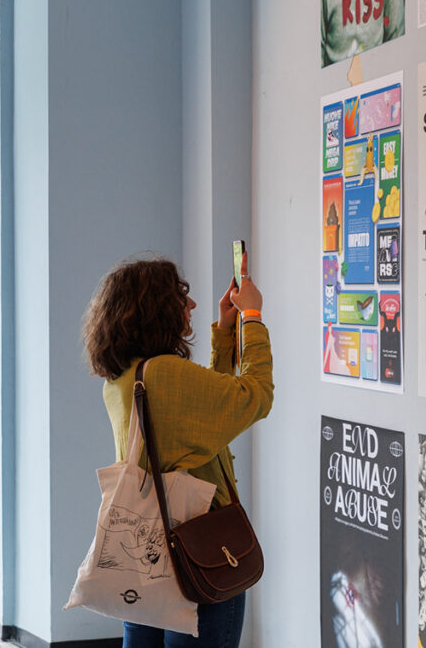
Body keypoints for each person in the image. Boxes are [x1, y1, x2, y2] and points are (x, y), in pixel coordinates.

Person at [82, 256, 274, 647]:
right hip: (196, 549)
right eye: (181, 297)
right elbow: (255, 396)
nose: (191, 305)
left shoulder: (125, 377)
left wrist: (224, 332)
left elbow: (208, 410)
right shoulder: (164, 373)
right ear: (157, 309)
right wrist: (252, 316)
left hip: (145, 552)